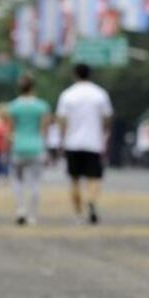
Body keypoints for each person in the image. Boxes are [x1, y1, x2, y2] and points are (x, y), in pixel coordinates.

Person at [56, 63, 113, 225]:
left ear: (75, 75)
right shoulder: (100, 94)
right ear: (90, 74)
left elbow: (61, 120)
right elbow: (107, 118)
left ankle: (78, 214)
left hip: (72, 143)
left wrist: (62, 138)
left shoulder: (67, 95)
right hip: (94, 142)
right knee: (94, 178)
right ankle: (92, 202)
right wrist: (104, 133)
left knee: (74, 180)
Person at [6, 74, 51, 225]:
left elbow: (10, 130)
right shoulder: (42, 106)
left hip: (19, 146)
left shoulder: (13, 106)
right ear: (33, 87)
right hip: (36, 146)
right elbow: (44, 130)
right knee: (35, 183)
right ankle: (32, 216)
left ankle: (20, 209)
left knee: (17, 181)